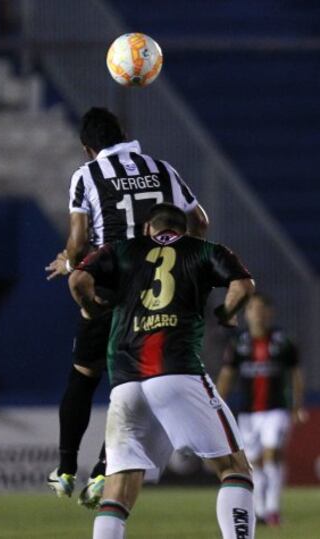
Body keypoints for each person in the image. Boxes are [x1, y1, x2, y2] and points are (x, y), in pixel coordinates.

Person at [45, 107, 209, 499]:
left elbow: (78, 240)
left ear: (89, 149)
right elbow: (200, 222)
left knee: (84, 376)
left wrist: (67, 262)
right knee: (133, 382)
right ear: (122, 135)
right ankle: (105, 469)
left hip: (111, 286)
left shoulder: (87, 175)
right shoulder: (163, 168)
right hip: (157, 294)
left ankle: (66, 470)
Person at [69, 203, 256, 539]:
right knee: (235, 469)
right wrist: (228, 312)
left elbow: (78, 279)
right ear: (183, 229)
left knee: (118, 492)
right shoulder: (202, 250)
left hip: (125, 382)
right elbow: (243, 286)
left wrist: (91, 307)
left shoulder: (122, 249)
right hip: (176, 371)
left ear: (147, 229)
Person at [217, 293, 305, 526]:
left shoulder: (282, 341)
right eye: (253, 309)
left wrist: (296, 406)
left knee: (271, 455)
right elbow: (227, 376)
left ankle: (272, 508)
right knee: (254, 463)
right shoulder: (239, 344)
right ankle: (258, 510)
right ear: (247, 314)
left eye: (262, 309)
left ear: (270, 313)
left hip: (276, 410)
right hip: (247, 413)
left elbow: (296, 375)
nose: (258, 314)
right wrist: (215, 407)